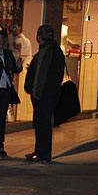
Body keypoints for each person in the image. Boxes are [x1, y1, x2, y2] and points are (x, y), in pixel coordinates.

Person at [24, 24, 65, 163]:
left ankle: (42, 154)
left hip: (44, 95)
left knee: (43, 125)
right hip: (50, 94)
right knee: (43, 124)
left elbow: (41, 75)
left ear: (39, 37)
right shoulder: (55, 50)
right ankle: (40, 152)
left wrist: (35, 93)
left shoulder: (46, 51)